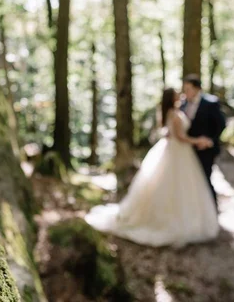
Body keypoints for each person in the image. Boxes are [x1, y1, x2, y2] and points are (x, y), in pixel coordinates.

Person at [85, 88, 219, 247]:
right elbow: (181, 137)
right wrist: (199, 141)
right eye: (176, 93)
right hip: (177, 151)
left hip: (177, 152)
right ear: (171, 97)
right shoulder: (174, 114)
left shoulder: (172, 112)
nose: (180, 94)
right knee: (175, 187)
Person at [181, 74, 226, 208]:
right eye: (185, 89)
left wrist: (210, 141)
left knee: (205, 179)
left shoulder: (210, 102)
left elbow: (221, 124)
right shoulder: (182, 104)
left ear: (197, 89)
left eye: (188, 89)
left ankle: (213, 209)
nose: (186, 92)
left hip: (206, 150)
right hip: (188, 150)